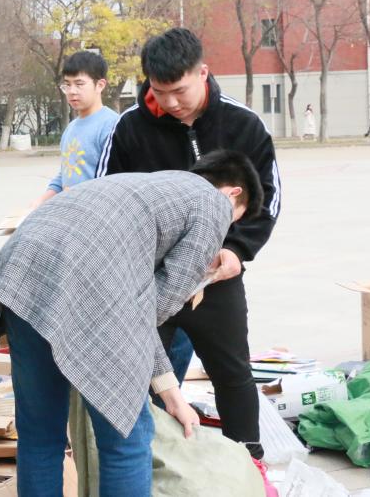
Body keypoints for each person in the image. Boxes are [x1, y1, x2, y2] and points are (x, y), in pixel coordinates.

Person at [0, 151, 264, 497]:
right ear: (233, 193)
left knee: (40, 434)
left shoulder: (146, 185)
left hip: (20, 278)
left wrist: (168, 391)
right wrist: (168, 389)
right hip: (90, 282)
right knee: (126, 438)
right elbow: (160, 305)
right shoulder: (213, 203)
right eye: (234, 220)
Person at [93, 27, 281, 459]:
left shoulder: (243, 124)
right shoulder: (130, 127)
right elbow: (105, 196)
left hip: (215, 274)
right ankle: (153, 464)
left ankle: (246, 462)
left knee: (232, 372)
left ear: (203, 73)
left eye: (180, 91)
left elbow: (267, 198)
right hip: (148, 277)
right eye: (160, 92)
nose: (171, 103)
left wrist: (236, 250)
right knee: (141, 375)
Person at [29, 50, 118, 209]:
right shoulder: (71, 128)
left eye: (79, 84)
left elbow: (113, 182)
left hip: (97, 212)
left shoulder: (112, 125)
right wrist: (40, 202)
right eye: (67, 85)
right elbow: (65, 174)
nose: (72, 91)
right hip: (70, 211)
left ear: (100, 85)